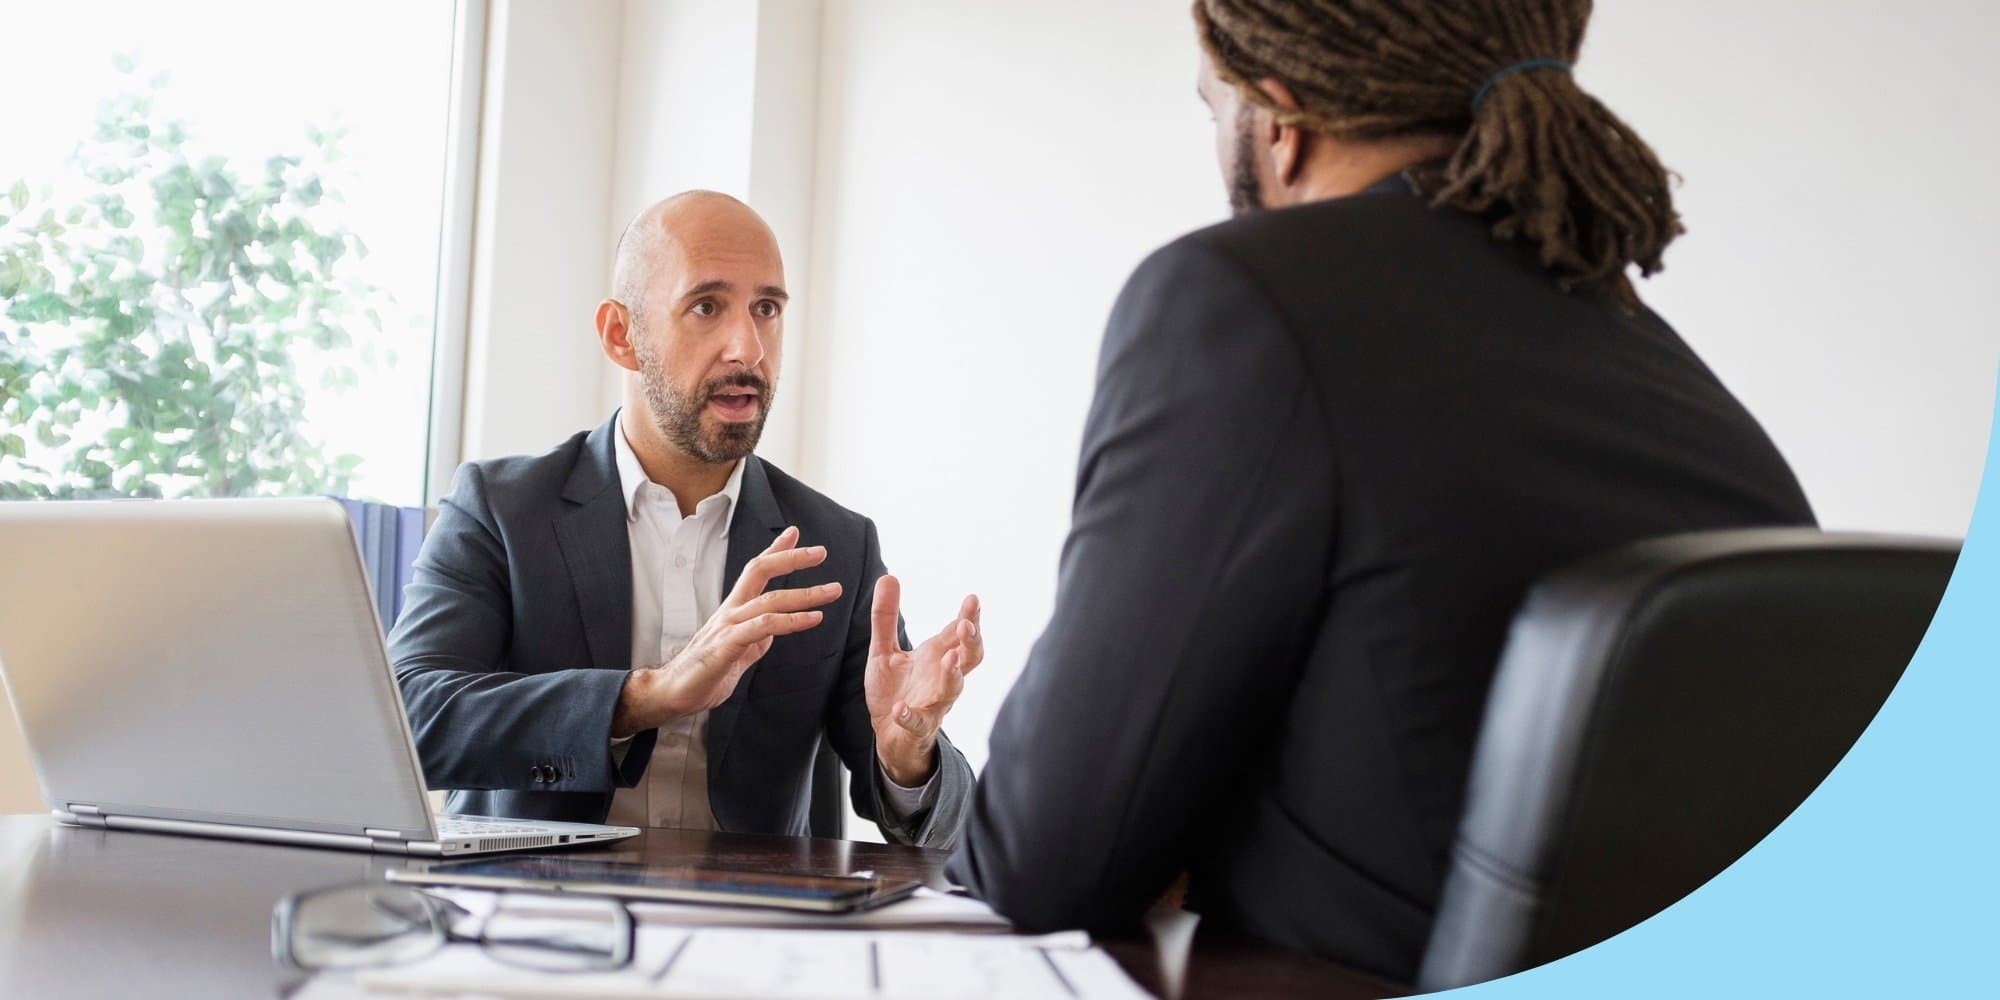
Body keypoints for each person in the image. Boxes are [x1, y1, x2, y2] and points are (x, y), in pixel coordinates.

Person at [946, 0, 1815, 979]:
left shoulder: (1241, 302)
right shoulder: (1678, 388)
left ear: (1278, 119)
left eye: (1212, 106)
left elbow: (1037, 865)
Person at [391, 191, 978, 848]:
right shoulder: (501, 510)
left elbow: (942, 820)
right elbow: (408, 720)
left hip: (755, 930)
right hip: (536, 920)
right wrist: (646, 696)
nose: (748, 348)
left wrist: (908, 755)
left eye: (767, 309)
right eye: (707, 306)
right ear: (622, 335)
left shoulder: (838, 546)